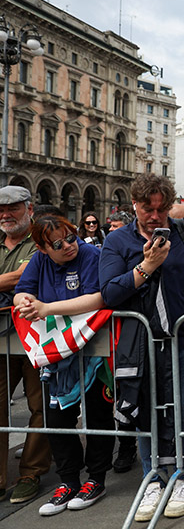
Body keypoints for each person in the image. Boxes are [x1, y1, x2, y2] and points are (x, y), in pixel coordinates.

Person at [100, 174, 184, 521]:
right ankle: (153, 478)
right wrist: (147, 266)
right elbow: (109, 292)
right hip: (139, 343)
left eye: (162, 209)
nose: (155, 216)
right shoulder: (118, 240)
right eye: (148, 209)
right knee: (145, 409)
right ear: (134, 205)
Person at [13, 216, 107, 515]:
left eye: (71, 237)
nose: (68, 246)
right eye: (57, 244)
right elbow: (21, 291)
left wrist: (47, 308)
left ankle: (96, 479)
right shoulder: (38, 261)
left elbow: (97, 298)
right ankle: (68, 480)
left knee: (98, 414)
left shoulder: (90, 255)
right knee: (56, 418)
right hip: (56, 354)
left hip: (94, 350)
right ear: (42, 249)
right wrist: (26, 302)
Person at [0, 186, 50, 505]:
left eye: (13, 208)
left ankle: (31, 472)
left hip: (34, 337)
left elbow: (23, 276)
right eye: (1, 210)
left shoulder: (41, 239)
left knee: (40, 406)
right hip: (0, 340)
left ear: (29, 209)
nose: (5, 214)